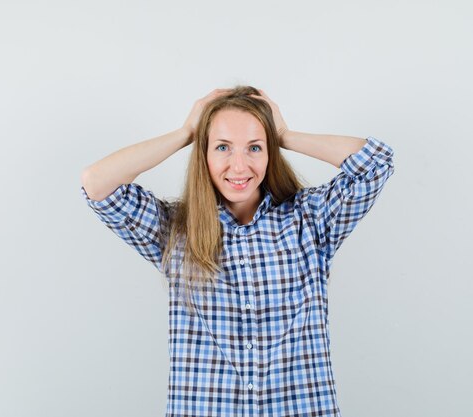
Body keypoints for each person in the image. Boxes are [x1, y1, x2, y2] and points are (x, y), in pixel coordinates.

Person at [80, 86, 395, 417]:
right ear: (203, 154)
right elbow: (97, 182)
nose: (239, 165)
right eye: (222, 147)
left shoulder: (310, 220)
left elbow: (376, 162)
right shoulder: (175, 230)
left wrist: (285, 135)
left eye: (255, 147)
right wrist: (185, 132)